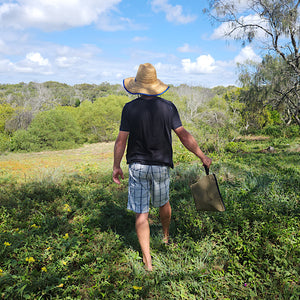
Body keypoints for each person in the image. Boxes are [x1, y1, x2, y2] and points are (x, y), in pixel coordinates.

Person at [113, 63, 212, 271]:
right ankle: (166, 237)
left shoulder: (129, 108)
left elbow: (120, 141)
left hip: (137, 167)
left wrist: (116, 166)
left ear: (138, 85)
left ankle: (147, 261)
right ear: (155, 85)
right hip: (161, 166)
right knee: (163, 202)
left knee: (141, 213)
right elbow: (183, 135)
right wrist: (202, 155)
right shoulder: (168, 107)